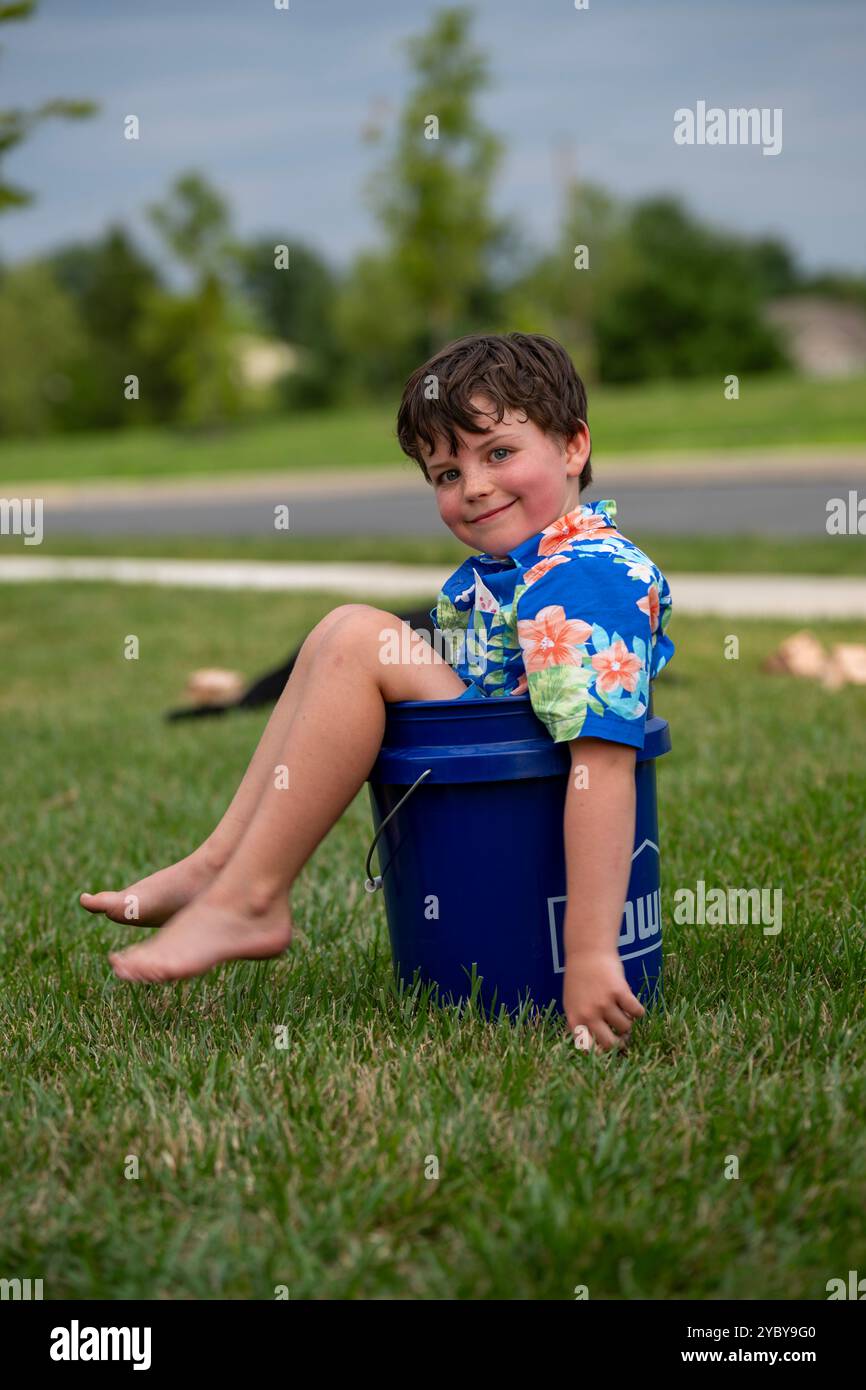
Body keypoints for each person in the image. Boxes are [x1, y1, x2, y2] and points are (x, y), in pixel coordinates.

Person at [80, 331, 674, 1052]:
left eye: (498, 453)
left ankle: (251, 898)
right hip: (491, 751)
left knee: (359, 636)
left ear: (574, 446)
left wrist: (587, 953)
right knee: (342, 632)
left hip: (522, 791)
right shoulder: (532, 563)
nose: (474, 486)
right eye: (445, 474)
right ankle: (221, 869)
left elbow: (604, 765)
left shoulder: (585, 573)